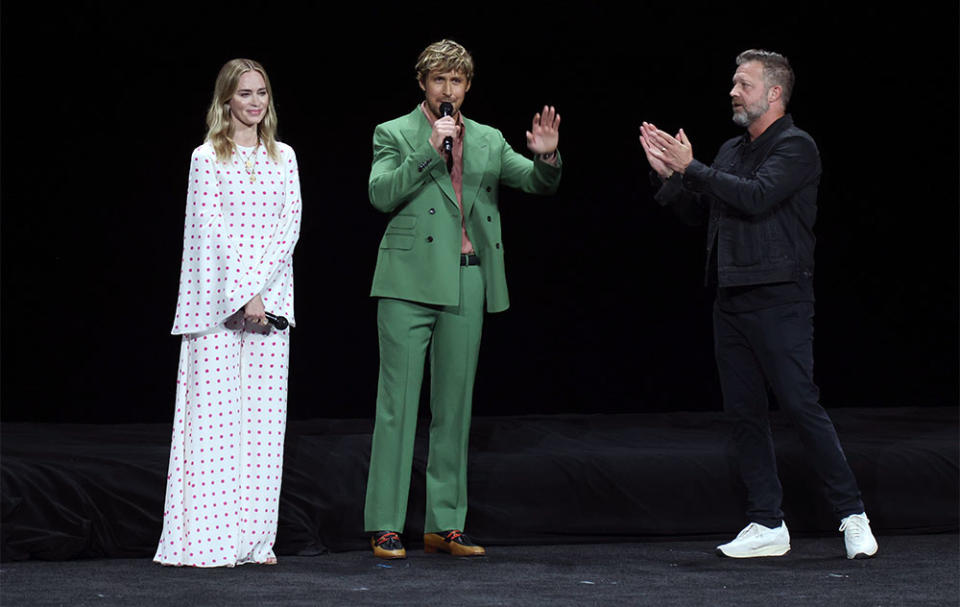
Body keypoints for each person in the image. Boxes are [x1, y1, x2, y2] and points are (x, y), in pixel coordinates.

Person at [639, 49, 878, 560]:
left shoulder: (797, 147)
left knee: (799, 406)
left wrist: (692, 168)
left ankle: (852, 513)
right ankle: (768, 522)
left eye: (743, 84)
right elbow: (701, 213)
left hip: (780, 298)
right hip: (731, 299)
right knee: (745, 413)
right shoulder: (730, 151)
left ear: (773, 93)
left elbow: (755, 197)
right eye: (733, 82)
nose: (732, 91)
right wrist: (671, 178)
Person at [364, 39, 562, 559]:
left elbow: (536, 184)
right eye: (438, 80)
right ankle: (386, 523)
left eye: (456, 81)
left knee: (455, 408)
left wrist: (547, 159)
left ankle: (444, 523)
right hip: (407, 283)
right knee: (398, 406)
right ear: (423, 84)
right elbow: (381, 194)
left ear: (467, 87)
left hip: (467, 280)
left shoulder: (490, 139)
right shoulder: (396, 132)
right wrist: (430, 150)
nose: (447, 90)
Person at [154, 58, 302, 567]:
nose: (255, 102)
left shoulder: (285, 157)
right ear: (226, 101)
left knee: (262, 430)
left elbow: (290, 227)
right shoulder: (206, 158)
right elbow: (212, 233)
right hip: (216, 309)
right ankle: (209, 542)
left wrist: (260, 292)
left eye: (261, 92)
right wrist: (244, 294)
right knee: (214, 428)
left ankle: (256, 541)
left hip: (271, 306)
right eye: (244, 94)